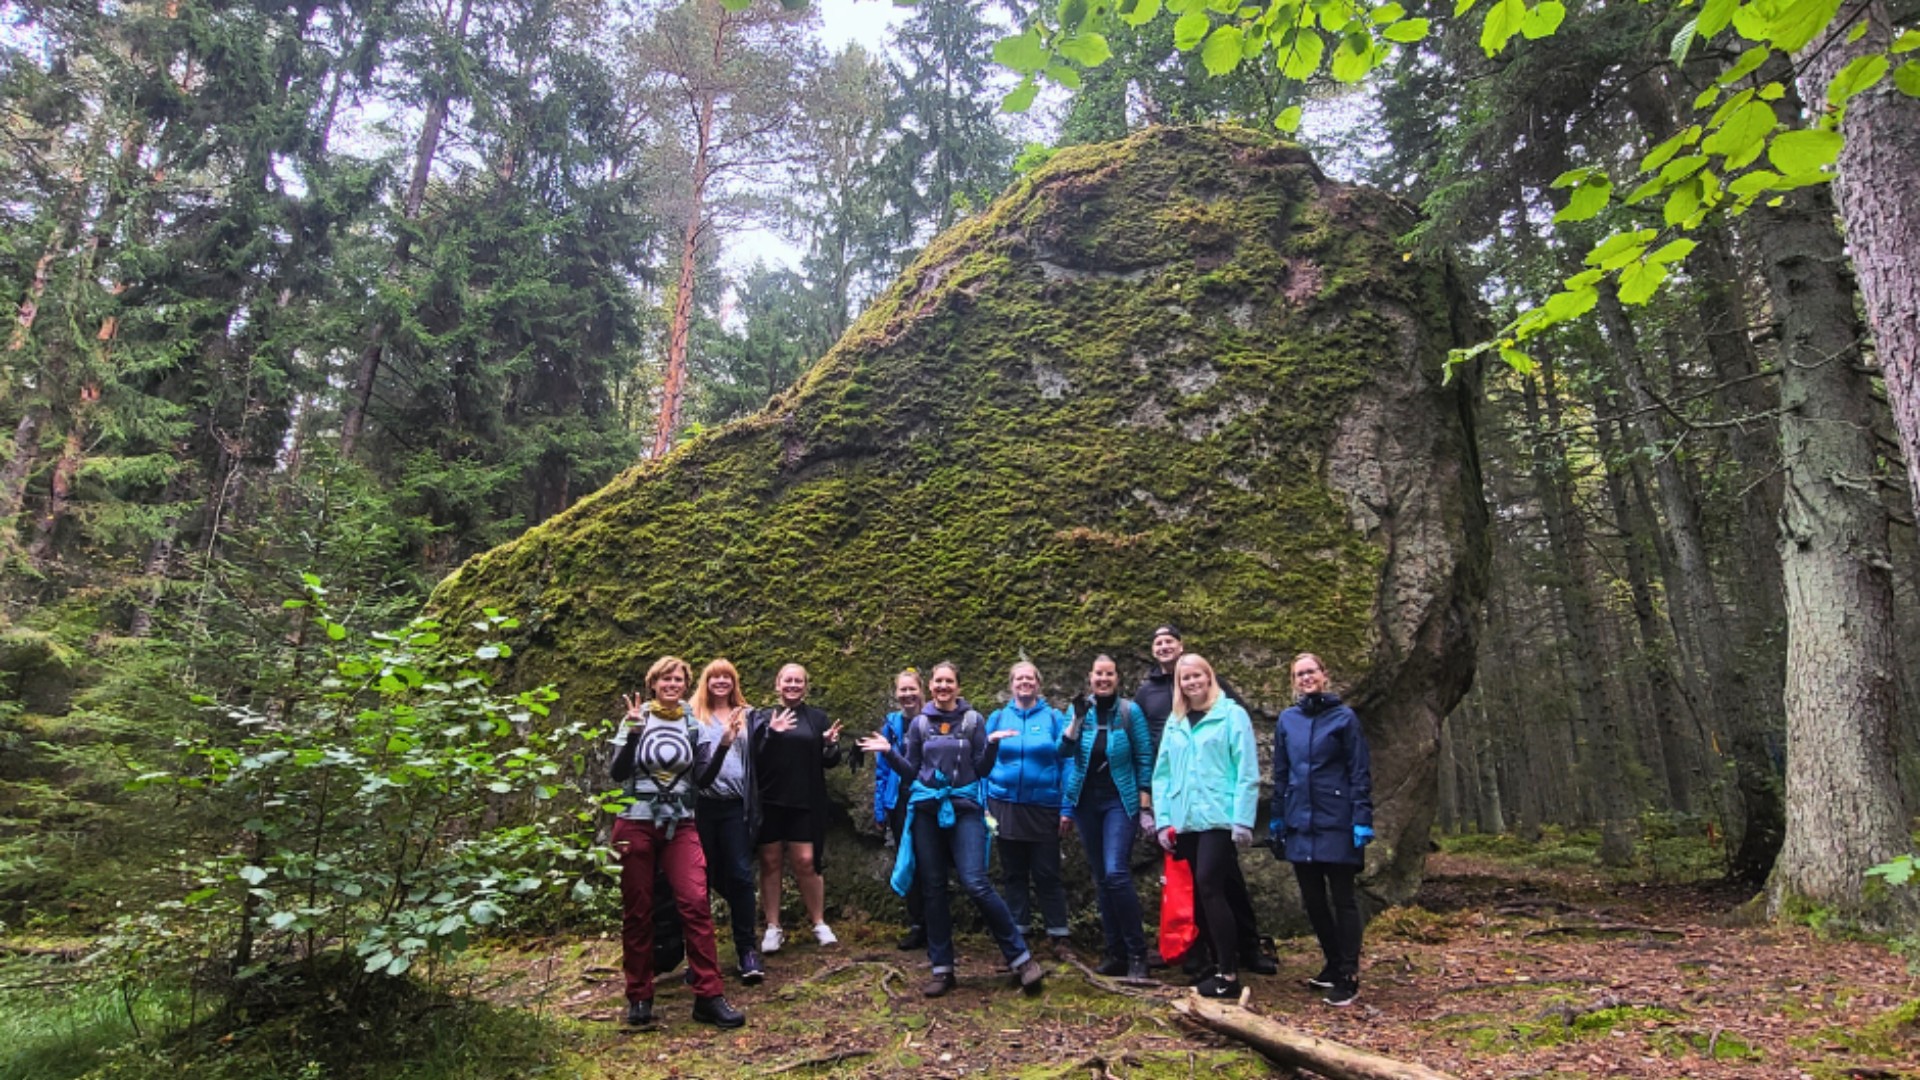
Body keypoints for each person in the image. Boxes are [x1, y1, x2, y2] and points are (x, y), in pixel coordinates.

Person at [858, 661, 1046, 998]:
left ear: (958, 687)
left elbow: (981, 768)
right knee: (933, 887)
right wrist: (889, 753)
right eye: (938, 681)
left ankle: (1021, 959)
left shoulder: (974, 721)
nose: (943, 687)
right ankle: (942, 967)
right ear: (931, 686)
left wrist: (992, 746)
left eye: (949, 682)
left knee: (976, 882)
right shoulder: (919, 725)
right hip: (928, 812)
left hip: (965, 810)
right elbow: (912, 771)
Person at [607, 656, 747, 1029]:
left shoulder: (691, 722)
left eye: (678, 680)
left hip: (680, 824)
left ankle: (709, 995)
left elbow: (701, 779)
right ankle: (639, 996)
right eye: (665, 679)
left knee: (695, 902)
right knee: (638, 910)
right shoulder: (635, 718)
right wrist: (634, 732)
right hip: (635, 822)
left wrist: (722, 746)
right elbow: (617, 772)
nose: (672, 685)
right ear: (653, 683)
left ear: (686, 685)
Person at [1134, 624, 1269, 977]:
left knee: (1217, 885)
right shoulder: (1158, 703)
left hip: (1219, 814)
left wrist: (1243, 817)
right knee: (1198, 890)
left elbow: (1245, 767)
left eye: (1197, 676)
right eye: (1186, 679)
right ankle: (1209, 959)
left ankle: (1241, 957)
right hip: (1185, 814)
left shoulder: (1228, 710)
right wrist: (1156, 814)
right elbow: (1159, 767)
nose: (1191, 682)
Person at [1270, 652, 1373, 1008]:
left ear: (1324, 675)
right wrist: (1278, 816)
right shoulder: (1288, 720)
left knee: (1342, 897)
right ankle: (1331, 961)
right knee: (1312, 899)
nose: (1306, 678)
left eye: (1311, 671)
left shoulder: (1344, 718)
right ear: (1293, 681)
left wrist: (1361, 818)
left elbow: (1359, 771)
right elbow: (1281, 772)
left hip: (1337, 818)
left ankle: (1349, 973)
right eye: (1299, 674)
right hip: (1301, 819)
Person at [1060, 654, 1155, 980]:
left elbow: (1144, 755)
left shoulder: (1130, 712)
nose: (1103, 679)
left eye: (1109, 674)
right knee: (1101, 878)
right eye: (1098, 674)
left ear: (1117, 678)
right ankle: (1114, 953)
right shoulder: (1078, 712)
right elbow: (1064, 752)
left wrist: (1144, 802)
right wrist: (1075, 719)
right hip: (1086, 802)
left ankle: (1137, 954)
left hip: (1120, 800)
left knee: (1116, 873)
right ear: (1090, 677)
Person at [750, 663, 842, 953]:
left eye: (798, 681)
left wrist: (828, 745)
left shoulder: (816, 718)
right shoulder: (762, 717)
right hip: (770, 801)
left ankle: (818, 922)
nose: (792, 685)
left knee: (806, 861)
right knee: (771, 862)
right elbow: (755, 756)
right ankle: (773, 926)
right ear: (777, 684)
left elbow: (829, 761)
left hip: (805, 801)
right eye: (787, 680)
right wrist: (773, 734)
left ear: (806, 686)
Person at [985, 661, 1074, 957]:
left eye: (1030, 678)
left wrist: (1067, 807)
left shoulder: (1053, 717)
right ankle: (1018, 935)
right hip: (1004, 806)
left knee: (1047, 873)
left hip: (1044, 806)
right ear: (1011, 685)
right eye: (1019, 678)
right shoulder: (998, 717)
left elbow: (1067, 760)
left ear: (1038, 683)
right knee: (1013, 874)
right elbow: (983, 761)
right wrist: (984, 804)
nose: (1025, 683)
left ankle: (1059, 936)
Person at [689, 658, 765, 985]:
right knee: (700, 882)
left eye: (727, 677)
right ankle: (701, 958)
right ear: (706, 682)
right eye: (714, 677)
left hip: (736, 806)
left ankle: (747, 950)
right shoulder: (694, 715)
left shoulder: (748, 715)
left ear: (735, 682)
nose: (721, 682)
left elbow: (766, 751)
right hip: (702, 808)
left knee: (741, 876)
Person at [874, 668, 928, 950]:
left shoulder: (932, 719)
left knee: (931, 861)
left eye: (912, 689)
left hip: (928, 800)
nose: (907, 695)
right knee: (908, 861)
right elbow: (882, 769)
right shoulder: (892, 724)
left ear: (922, 690)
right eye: (902, 690)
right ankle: (918, 923)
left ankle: (936, 922)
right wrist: (880, 807)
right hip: (900, 801)